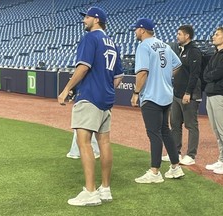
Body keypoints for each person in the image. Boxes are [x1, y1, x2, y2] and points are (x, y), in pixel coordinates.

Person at [58, 6, 123, 206]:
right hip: (106, 99)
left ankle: (90, 191)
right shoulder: (113, 43)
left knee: (84, 142)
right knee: (104, 142)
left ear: (96, 19)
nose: (84, 20)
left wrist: (66, 88)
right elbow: (119, 77)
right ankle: (105, 189)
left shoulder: (90, 38)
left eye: (86, 17)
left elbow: (83, 66)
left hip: (90, 97)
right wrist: (104, 88)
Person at [131, 18, 185, 184]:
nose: (135, 32)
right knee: (165, 131)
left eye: (136, 29)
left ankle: (155, 172)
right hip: (166, 94)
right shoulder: (165, 45)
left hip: (151, 95)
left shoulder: (144, 46)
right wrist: (165, 77)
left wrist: (136, 92)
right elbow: (177, 65)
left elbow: (142, 73)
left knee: (154, 133)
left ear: (142, 30)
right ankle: (175, 167)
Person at [162, 25, 202, 165]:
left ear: (187, 36)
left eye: (179, 34)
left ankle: (191, 155)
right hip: (177, 94)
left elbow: (195, 74)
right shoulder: (180, 50)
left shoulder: (194, 51)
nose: (177, 36)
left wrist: (188, 92)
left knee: (191, 125)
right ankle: (175, 153)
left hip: (188, 95)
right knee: (175, 124)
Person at [203, 26, 223, 175]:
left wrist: (210, 76)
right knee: (217, 131)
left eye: (217, 34)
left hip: (220, 94)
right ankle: (222, 159)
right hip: (211, 94)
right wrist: (210, 76)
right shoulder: (215, 55)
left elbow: (218, 73)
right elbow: (206, 73)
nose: (213, 37)